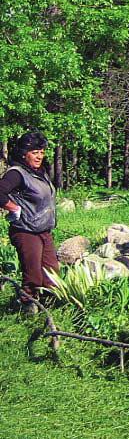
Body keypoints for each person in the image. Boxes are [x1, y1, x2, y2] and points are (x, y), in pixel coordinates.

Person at [0, 132, 58, 310]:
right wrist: (13, 207)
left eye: (41, 151)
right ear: (24, 153)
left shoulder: (39, 173)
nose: (39, 156)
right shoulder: (16, 173)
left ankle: (49, 308)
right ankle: (28, 309)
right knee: (33, 275)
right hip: (25, 231)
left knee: (51, 272)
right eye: (34, 152)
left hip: (43, 230)